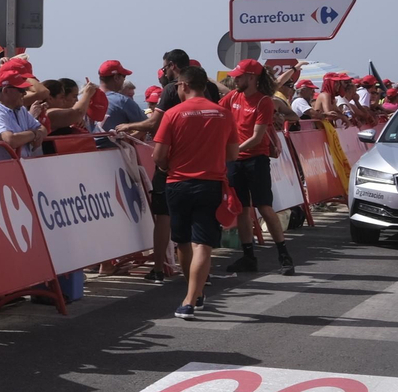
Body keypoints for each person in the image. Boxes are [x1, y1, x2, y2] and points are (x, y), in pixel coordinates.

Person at [116, 50, 221, 282]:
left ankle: (160, 269)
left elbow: (155, 124)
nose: (163, 71)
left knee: (164, 217)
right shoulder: (210, 91)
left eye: (164, 67)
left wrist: (127, 126)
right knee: (201, 225)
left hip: (176, 167)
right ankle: (200, 272)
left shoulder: (172, 89)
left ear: (172, 67)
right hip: (208, 166)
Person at [154, 65, 240, 319]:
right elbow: (233, 154)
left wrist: (169, 165)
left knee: (182, 241)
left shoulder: (173, 114)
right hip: (211, 184)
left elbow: (158, 155)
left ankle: (193, 296)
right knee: (203, 244)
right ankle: (193, 297)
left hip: (177, 184)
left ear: (183, 85)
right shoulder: (223, 114)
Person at [220, 59, 295, 275]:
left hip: (256, 160)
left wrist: (231, 152)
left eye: (240, 76)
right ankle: (248, 257)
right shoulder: (233, 96)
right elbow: (216, 112)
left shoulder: (264, 102)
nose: (235, 79)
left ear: (252, 77)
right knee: (242, 209)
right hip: (236, 160)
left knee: (264, 207)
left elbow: (257, 137)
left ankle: (284, 255)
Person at [0, 68, 46, 156]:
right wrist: (33, 134)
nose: (25, 93)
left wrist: (36, 134)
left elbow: (42, 129)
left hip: (19, 165)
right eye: (21, 90)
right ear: (6, 91)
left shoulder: (20, 108)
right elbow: (10, 140)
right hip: (2, 167)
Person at [37, 78, 97, 154]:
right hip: (54, 159)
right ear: (50, 99)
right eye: (62, 97)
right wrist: (87, 94)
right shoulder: (48, 113)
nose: (64, 100)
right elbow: (78, 112)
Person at [98, 60, 147, 131]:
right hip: (112, 142)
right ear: (116, 78)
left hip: (88, 141)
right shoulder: (122, 101)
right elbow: (147, 125)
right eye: (124, 76)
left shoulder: (84, 99)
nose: (124, 79)